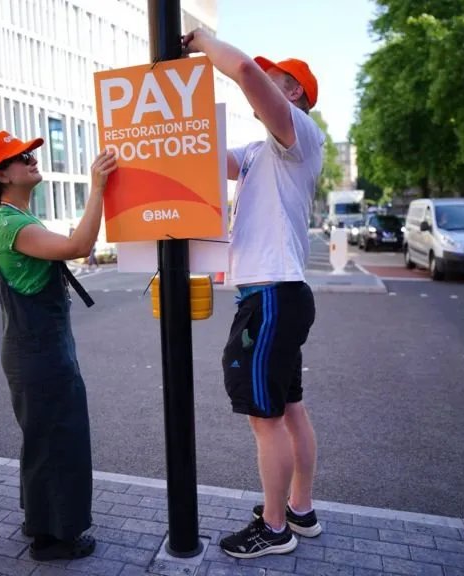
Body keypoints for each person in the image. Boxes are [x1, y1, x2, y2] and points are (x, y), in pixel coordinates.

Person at [181, 30, 324, 558]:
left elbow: (243, 71)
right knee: (289, 410)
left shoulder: (297, 134)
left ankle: (274, 528)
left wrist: (202, 40)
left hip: (271, 296)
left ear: (294, 92)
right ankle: (299, 510)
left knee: (267, 420)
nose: (263, 79)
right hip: (280, 294)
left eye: (275, 77)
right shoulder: (263, 151)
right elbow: (207, 158)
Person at [0, 130, 116, 561]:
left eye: (30, 153)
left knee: (45, 439)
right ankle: (54, 539)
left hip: (37, 348)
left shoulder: (14, 218)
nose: (32, 160)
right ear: (1, 174)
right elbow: (79, 246)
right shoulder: (11, 223)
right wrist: (98, 187)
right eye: (22, 157)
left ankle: (41, 522)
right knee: (60, 440)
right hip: (39, 351)